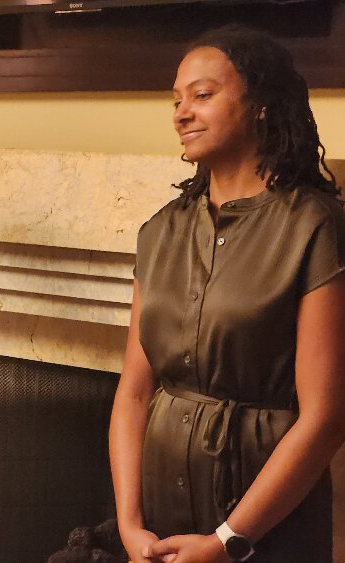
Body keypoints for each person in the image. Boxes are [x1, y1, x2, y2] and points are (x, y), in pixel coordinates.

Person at [109, 25, 345, 563]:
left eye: (202, 94)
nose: (181, 112)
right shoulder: (159, 232)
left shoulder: (314, 227)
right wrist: (129, 523)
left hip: (267, 532)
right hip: (159, 526)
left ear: (260, 103)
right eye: (176, 99)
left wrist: (229, 540)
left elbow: (326, 416)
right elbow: (133, 394)